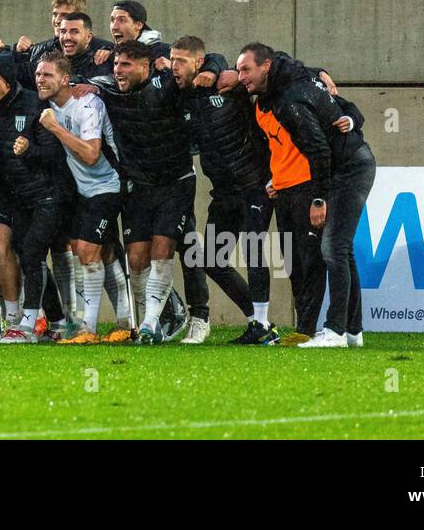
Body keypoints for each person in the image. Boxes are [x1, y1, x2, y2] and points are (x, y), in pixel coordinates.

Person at [236, 43, 376, 348]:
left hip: (349, 169)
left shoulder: (289, 100)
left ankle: (335, 331)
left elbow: (319, 151)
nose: (240, 76)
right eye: (238, 70)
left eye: (246, 69)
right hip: (348, 164)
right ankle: (353, 332)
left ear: (266, 67)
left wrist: (317, 199)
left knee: (332, 249)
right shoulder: (294, 82)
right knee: (341, 251)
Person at [87, 40, 219, 343]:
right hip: (138, 186)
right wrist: (82, 86)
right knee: (136, 259)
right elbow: (65, 79)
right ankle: (153, 321)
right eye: (116, 64)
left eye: (126, 65)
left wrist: (211, 68)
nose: (118, 71)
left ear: (145, 67)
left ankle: (149, 325)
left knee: (164, 251)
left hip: (176, 182)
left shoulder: (168, 86)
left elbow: (207, 59)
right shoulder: (106, 91)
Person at [168, 37, 267, 343]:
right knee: (210, 259)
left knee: (257, 255)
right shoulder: (180, 95)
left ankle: (271, 327)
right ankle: (259, 323)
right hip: (223, 192)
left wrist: (222, 69)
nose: (174, 67)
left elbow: (265, 67)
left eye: (181, 61)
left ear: (199, 63)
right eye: (172, 60)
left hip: (253, 187)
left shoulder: (229, 84)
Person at [34, 53, 132, 343]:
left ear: (66, 79)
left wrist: (56, 128)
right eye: (38, 74)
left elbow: (91, 155)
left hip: (108, 184)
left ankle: (87, 329)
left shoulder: (88, 103)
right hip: (81, 190)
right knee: (101, 253)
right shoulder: (49, 103)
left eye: (47, 75)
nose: (40, 79)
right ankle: (125, 322)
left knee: (88, 252)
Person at [0, 54, 70, 344]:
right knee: (30, 259)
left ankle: (27, 324)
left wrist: (30, 149)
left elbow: (57, 153)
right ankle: (58, 320)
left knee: (31, 254)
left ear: (8, 80)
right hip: (18, 197)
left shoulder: (35, 104)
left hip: (48, 194)